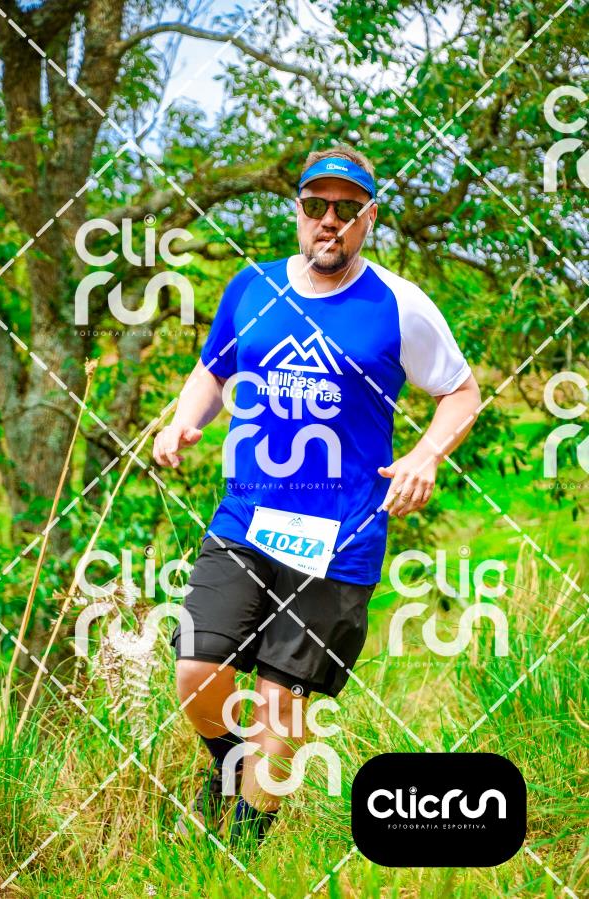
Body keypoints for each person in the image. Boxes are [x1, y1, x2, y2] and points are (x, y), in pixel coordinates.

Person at [153, 145, 481, 846]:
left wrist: (425, 455)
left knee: (282, 705)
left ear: (369, 218)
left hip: (341, 537)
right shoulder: (252, 288)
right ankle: (231, 765)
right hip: (245, 519)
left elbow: (461, 391)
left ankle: (238, 855)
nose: (329, 220)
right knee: (195, 669)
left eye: (346, 208)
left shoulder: (398, 305)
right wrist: (185, 420)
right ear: (297, 211)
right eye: (315, 205)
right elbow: (212, 370)